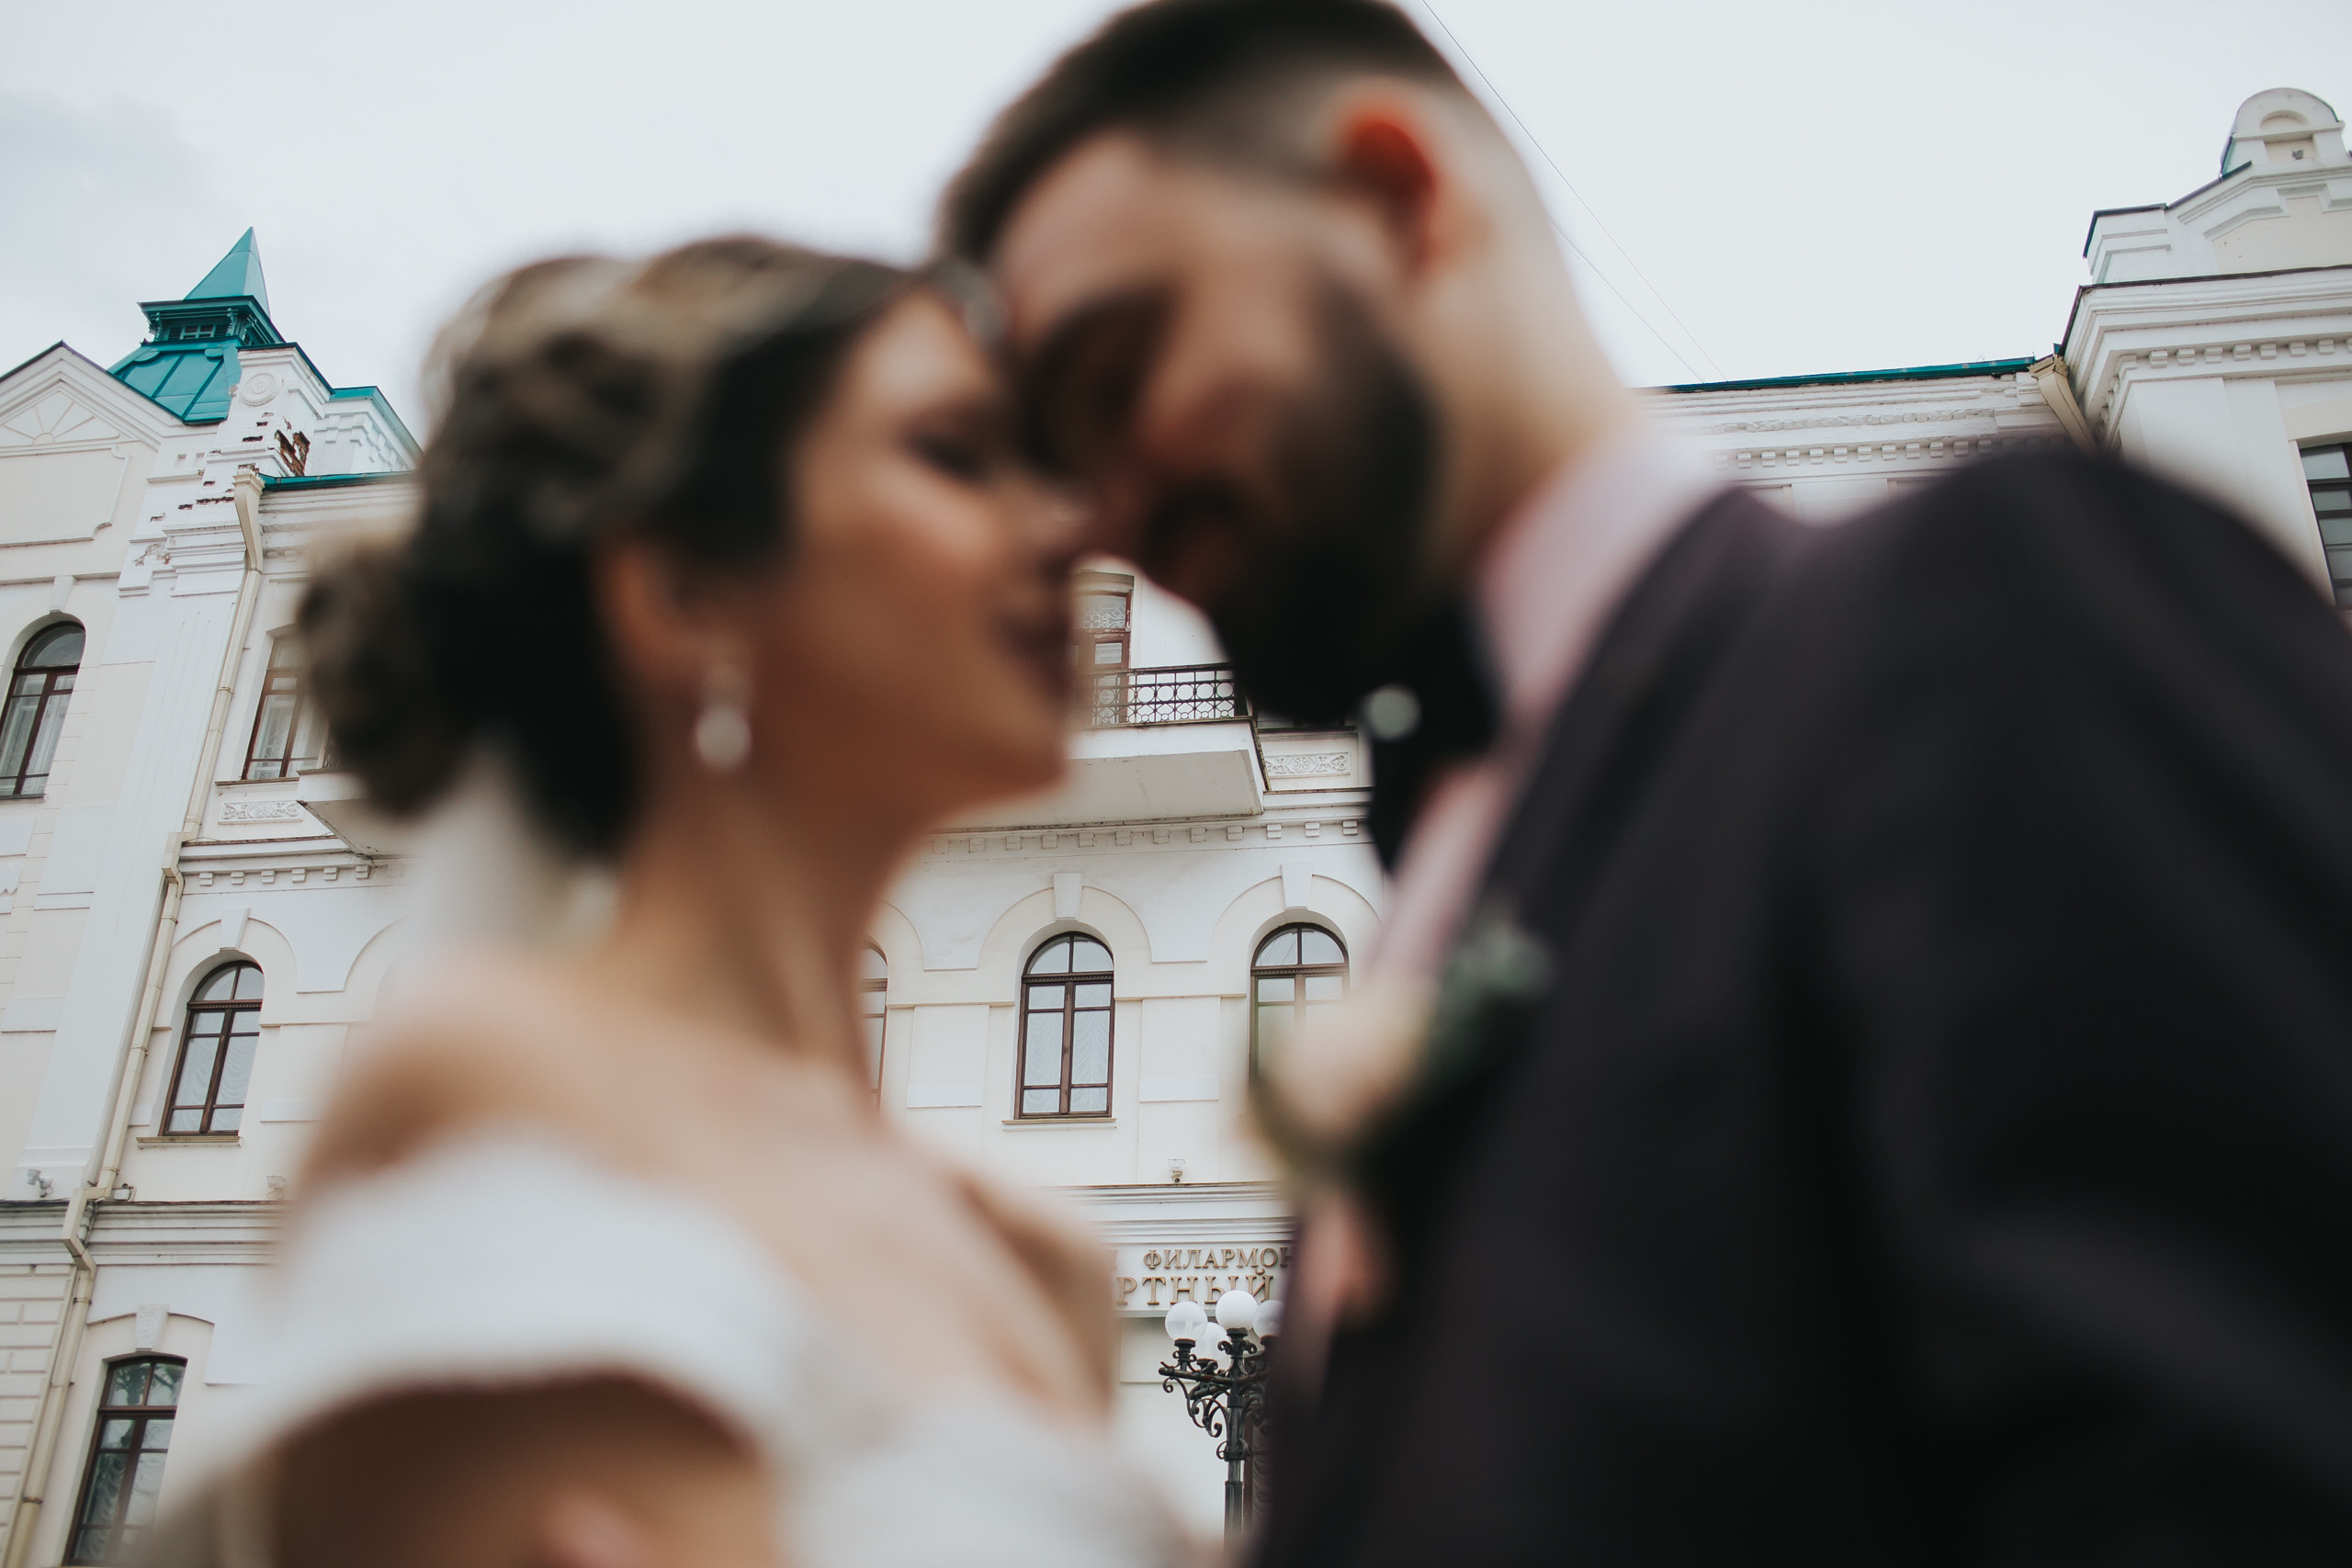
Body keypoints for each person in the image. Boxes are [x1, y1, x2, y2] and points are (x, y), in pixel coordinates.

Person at [942, 1, 2352, 1562]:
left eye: (1119, 368)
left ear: (1398, 199)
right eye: (1057, 459)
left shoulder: (1998, 616)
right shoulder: (1437, 889)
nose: (1097, 518)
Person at [146, 239, 1190, 1568]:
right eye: (954, 454)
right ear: (686, 594)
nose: (1070, 528)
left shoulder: (1037, 1264)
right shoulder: (495, 1085)